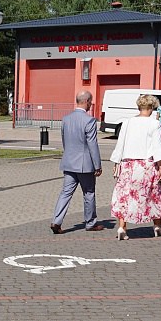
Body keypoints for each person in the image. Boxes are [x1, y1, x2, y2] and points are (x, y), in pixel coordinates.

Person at [110, 93, 161, 238]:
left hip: (128, 164)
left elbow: (120, 144)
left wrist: (116, 162)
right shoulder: (154, 124)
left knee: (125, 195)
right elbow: (158, 147)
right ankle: (157, 225)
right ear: (151, 107)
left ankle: (122, 227)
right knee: (153, 194)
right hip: (146, 164)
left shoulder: (127, 122)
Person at [50, 91, 103, 234]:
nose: (91, 104)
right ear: (86, 101)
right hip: (85, 164)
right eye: (90, 102)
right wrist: (97, 165)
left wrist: (68, 154)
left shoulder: (66, 119)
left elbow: (64, 140)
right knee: (89, 193)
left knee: (65, 193)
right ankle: (90, 223)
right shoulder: (89, 120)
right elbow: (92, 144)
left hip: (69, 162)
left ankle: (56, 221)